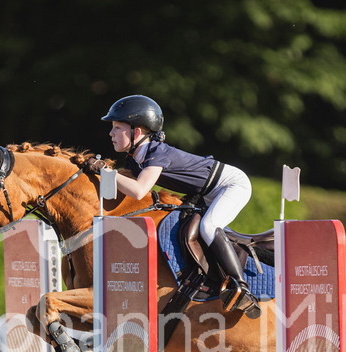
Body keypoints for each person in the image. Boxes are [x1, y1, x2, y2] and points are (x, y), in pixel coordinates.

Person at [87, 94, 260, 318]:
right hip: (205, 193)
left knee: (209, 227)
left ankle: (240, 288)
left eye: (117, 127)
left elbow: (139, 191)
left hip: (231, 185)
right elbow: (125, 188)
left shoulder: (157, 152)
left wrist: (105, 171)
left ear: (136, 132)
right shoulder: (135, 158)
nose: (110, 133)